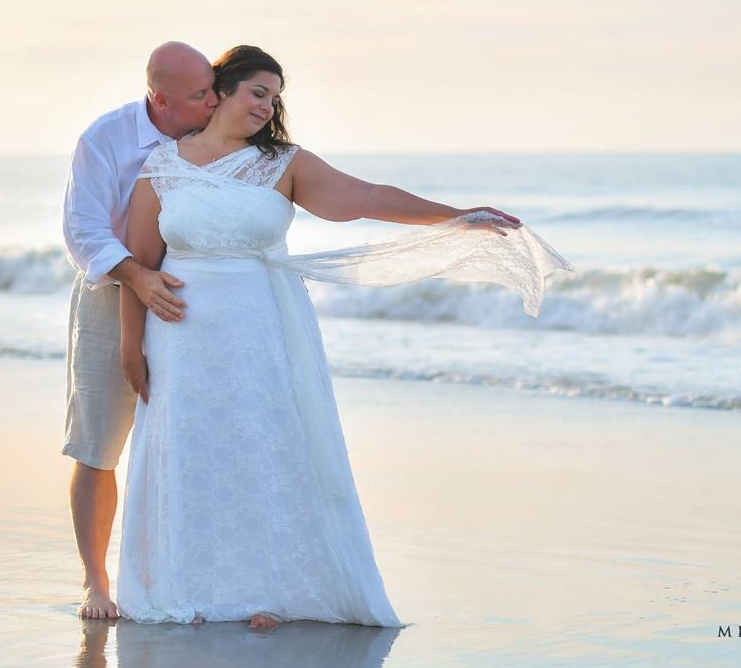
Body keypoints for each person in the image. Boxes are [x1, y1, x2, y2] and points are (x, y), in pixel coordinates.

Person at [117, 45, 575, 631]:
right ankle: (194, 586)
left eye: (275, 98)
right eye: (258, 92)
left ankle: (265, 591)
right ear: (221, 90)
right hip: (180, 338)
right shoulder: (163, 166)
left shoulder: (282, 162)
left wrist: (456, 215)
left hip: (262, 329)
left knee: (265, 451)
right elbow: (138, 266)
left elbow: (366, 198)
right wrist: (132, 347)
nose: (266, 106)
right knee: (191, 453)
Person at [60, 41, 219, 620]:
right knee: (98, 444)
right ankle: (96, 582)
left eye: (213, 88)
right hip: (110, 298)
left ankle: (190, 578)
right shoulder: (106, 138)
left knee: (195, 440)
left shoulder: (221, 136)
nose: (213, 101)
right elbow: (82, 232)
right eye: (201, 95)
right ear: (162, 99)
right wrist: (138, 278)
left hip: (194, 304)